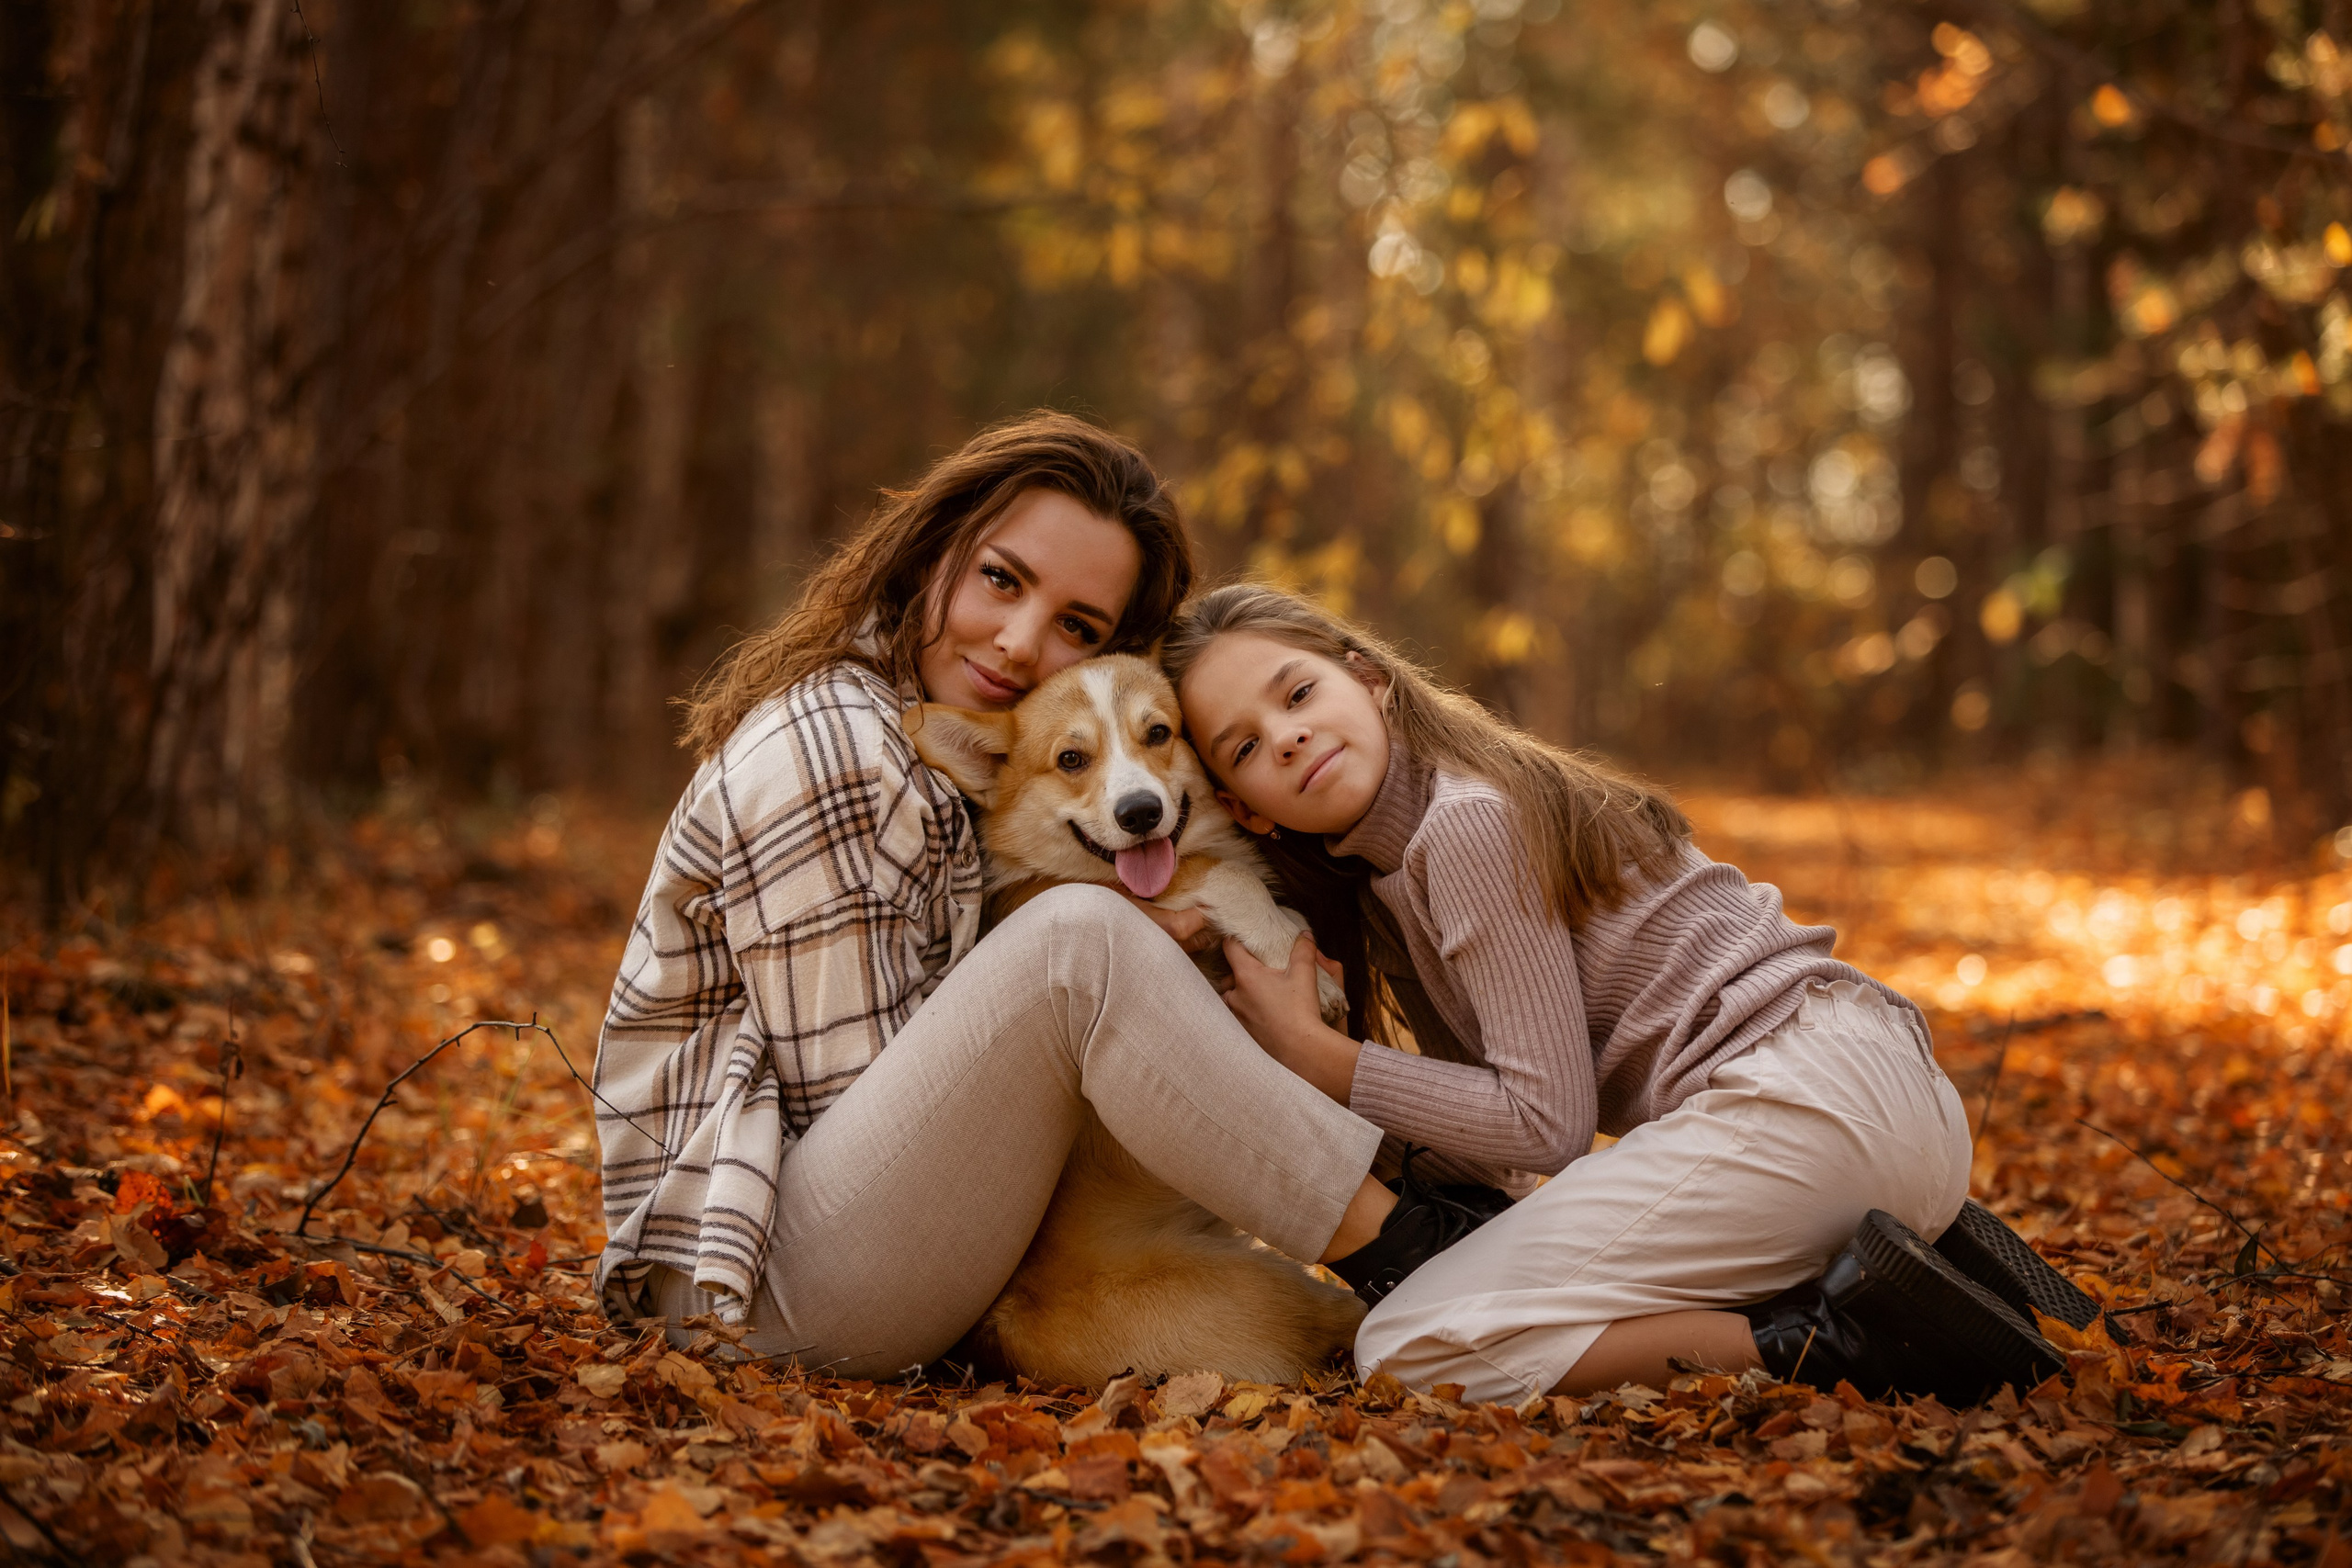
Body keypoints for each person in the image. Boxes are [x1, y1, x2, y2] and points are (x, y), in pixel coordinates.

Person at [591, 412, 1479, 1377]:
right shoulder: (836, 749)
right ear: (936, 548)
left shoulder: (926, 729)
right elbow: (860, 1108)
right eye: (1001, 580)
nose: (1018, 645)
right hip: (761, 1281)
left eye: (1077, 627)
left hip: (836, 1245)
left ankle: (1428, 1221)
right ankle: (1403, 1244)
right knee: (1076, 939)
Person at [1161, 582, 2084, 1405]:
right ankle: (1890, 1276)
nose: (1285, 736)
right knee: (1464, 1303)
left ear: (1368, 679)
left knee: (1410, 1341)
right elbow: (1500, 1151)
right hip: (1879, 1097)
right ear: (1245, 807)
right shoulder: (1403, 875)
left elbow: (1544, 1124)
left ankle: (1848, 1336)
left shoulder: (1463, 827)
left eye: (1297, 692)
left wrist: (1322, 1059)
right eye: (1245, 746)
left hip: (1807, 1104)